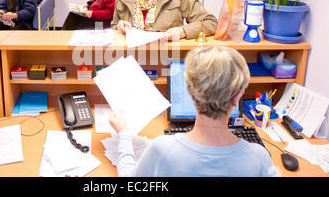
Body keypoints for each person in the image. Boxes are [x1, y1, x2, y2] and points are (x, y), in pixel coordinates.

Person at [109, 46, 278, 177]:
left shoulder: (161, 150)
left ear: (191, 92)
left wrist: (123, 135)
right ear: (237, 97)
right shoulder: (259, 157)